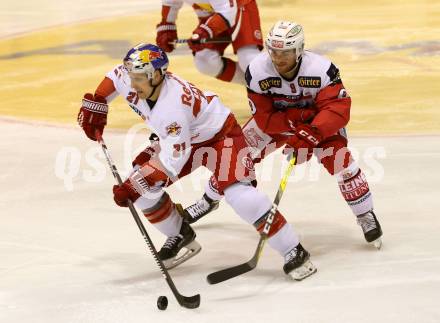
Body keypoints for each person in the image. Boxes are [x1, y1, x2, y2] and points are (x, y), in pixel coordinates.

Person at [77, 43, 317, 280]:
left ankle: (293, 250)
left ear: (158, 75)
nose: (132, 82)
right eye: (132, 76)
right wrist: (98, 103)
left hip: (221, 137)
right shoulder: (134, 79)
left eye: (139, 77)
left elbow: (172, 161)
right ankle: (180, 234)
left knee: (239, 196)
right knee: (142, 188)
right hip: (186, 138)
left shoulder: (172, 110)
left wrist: (132, 186)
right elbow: (114, 76)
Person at [183, 21, 383, 248]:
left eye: (285, 52)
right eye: (274, 51)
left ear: (299, 50)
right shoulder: (257, 70)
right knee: (234, 159)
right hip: (280, 124)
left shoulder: (322, 69)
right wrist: (298, 122)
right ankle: (209, 200)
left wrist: (312, 133)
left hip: (316, 125)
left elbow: (338, 109)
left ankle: (365, 214)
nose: (278, 58)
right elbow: (264, 119)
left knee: (343, 164)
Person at [156, 0, 263, 85]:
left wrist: (205, 31)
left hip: (239, 8)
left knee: (249, 60)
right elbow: (170, 2)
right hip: (211, 14)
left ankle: (273, 88)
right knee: (205, 62)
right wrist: (166, 27)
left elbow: (228, 11)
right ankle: (258, 86)